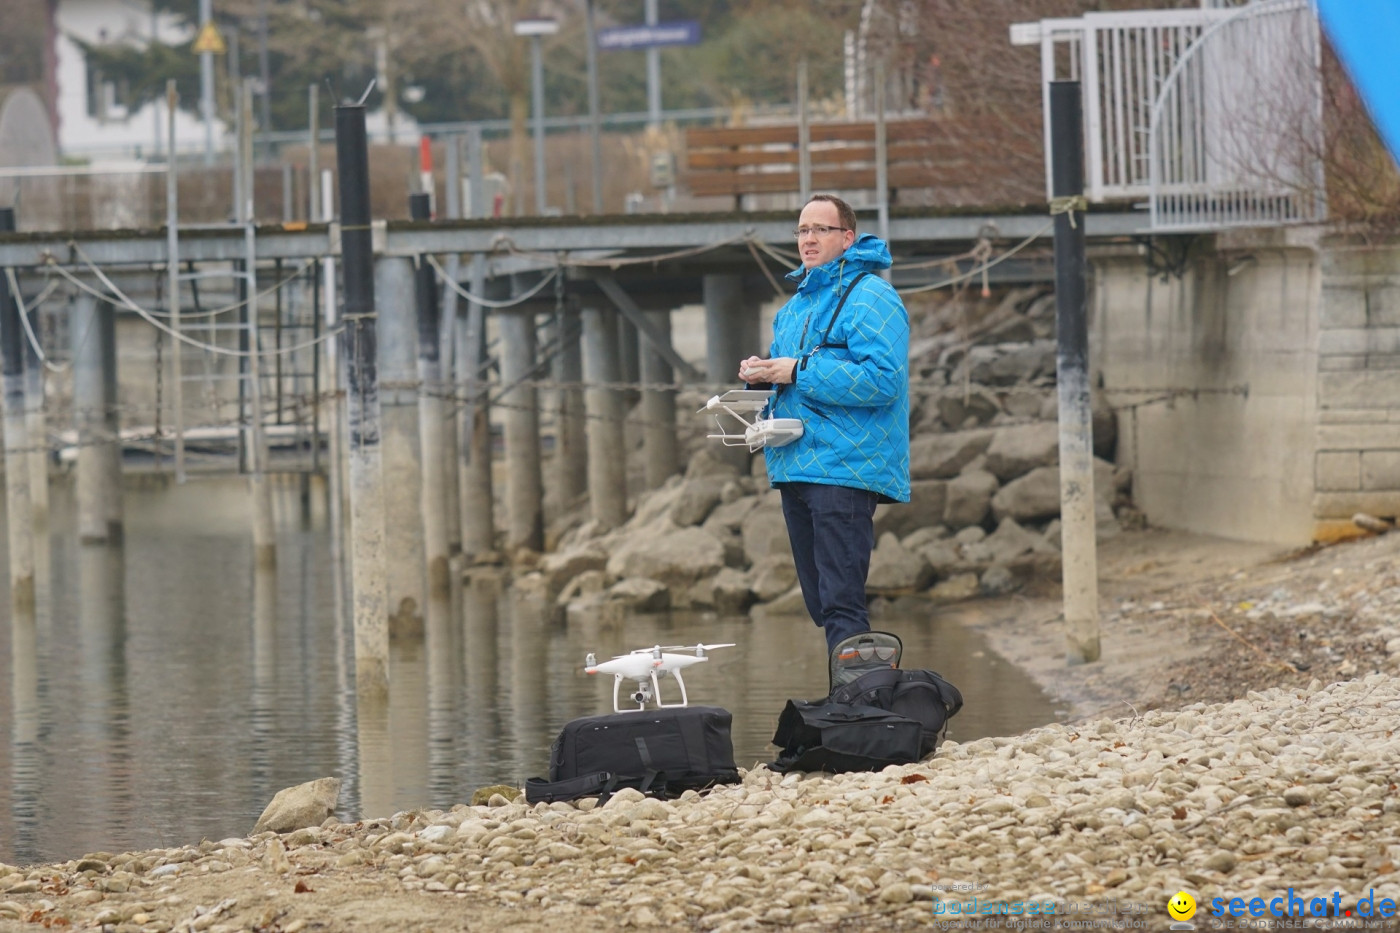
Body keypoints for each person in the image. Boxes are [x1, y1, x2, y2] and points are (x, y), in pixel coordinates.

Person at [738, 194, 911, 661]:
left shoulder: (872, 295)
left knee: (841, 600)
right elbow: (792, 379)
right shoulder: (794, 306)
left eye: (821, 230)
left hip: (845, 467)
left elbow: (884, 381)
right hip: (795, 464)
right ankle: (851, 698)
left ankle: (861, 703)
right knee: (820, 602)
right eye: (802, 230)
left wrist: (794, 371)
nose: (809, 239)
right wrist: (762, 378)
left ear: (848, 238)